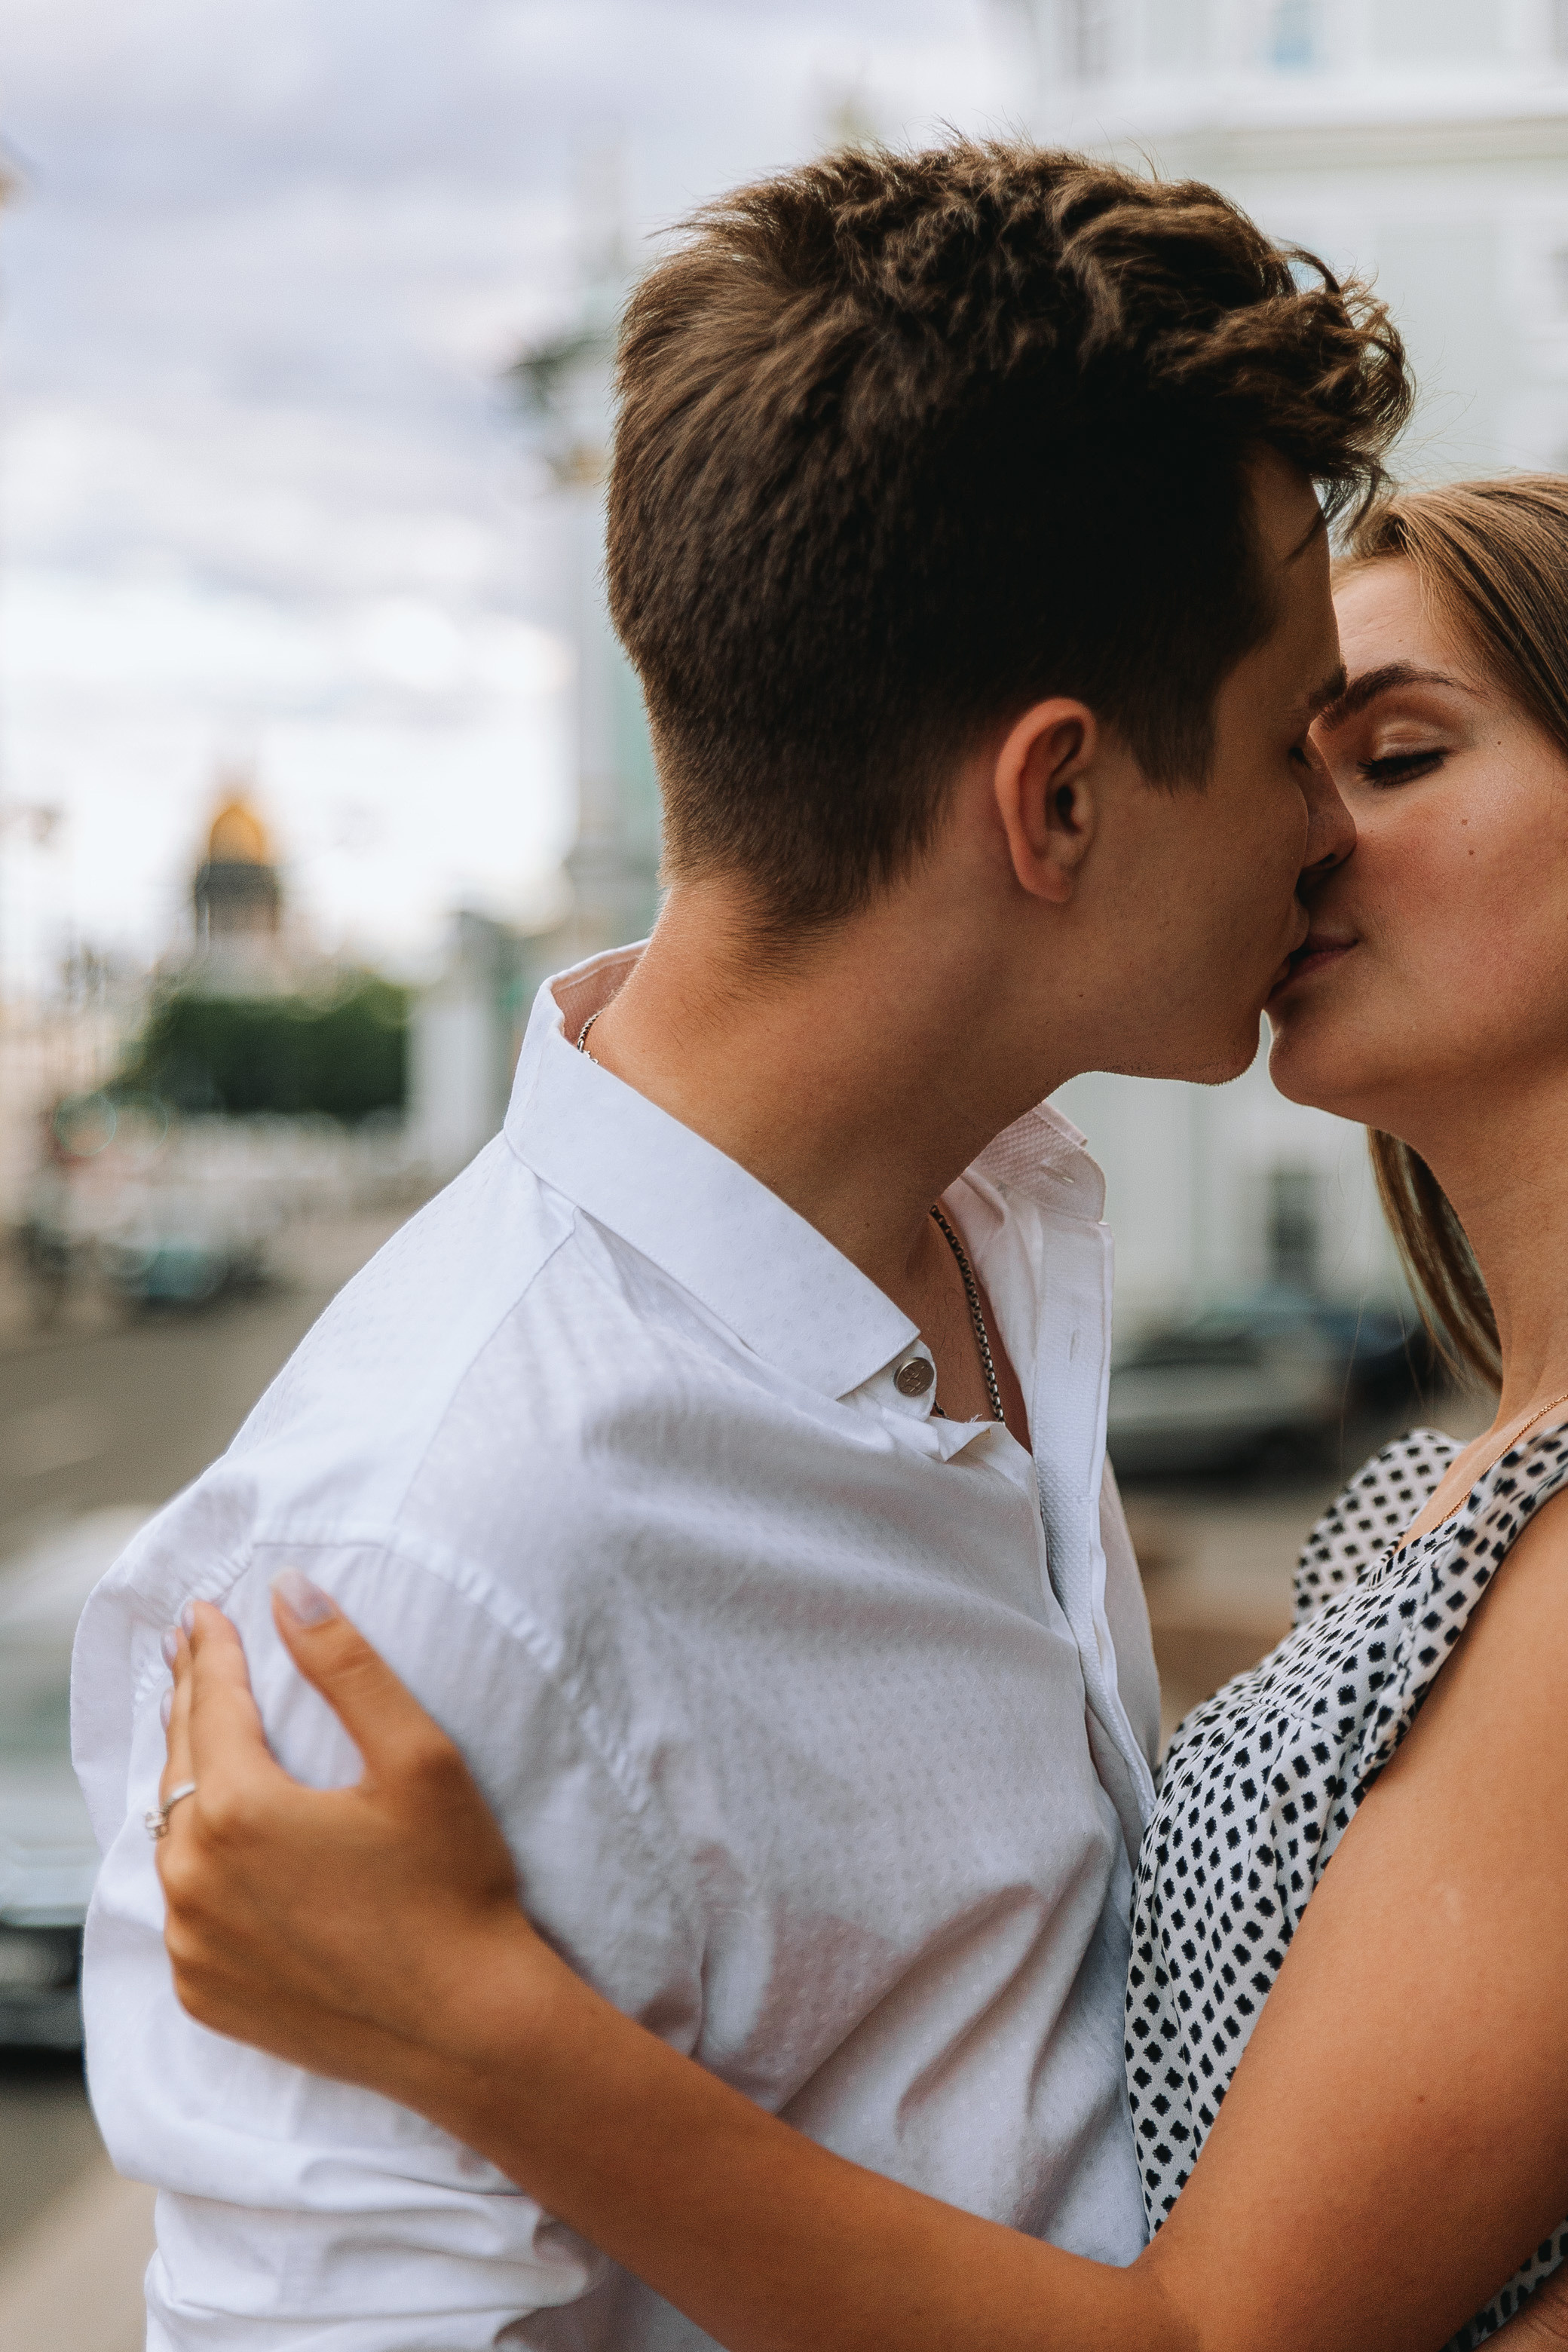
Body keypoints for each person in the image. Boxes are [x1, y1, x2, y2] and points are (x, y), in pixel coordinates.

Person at [75, 141, 1399, 2349]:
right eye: (1291, 743)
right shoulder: (409, 1573)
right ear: (1056, 801)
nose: (1329, 823)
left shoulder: (1003, 1230)